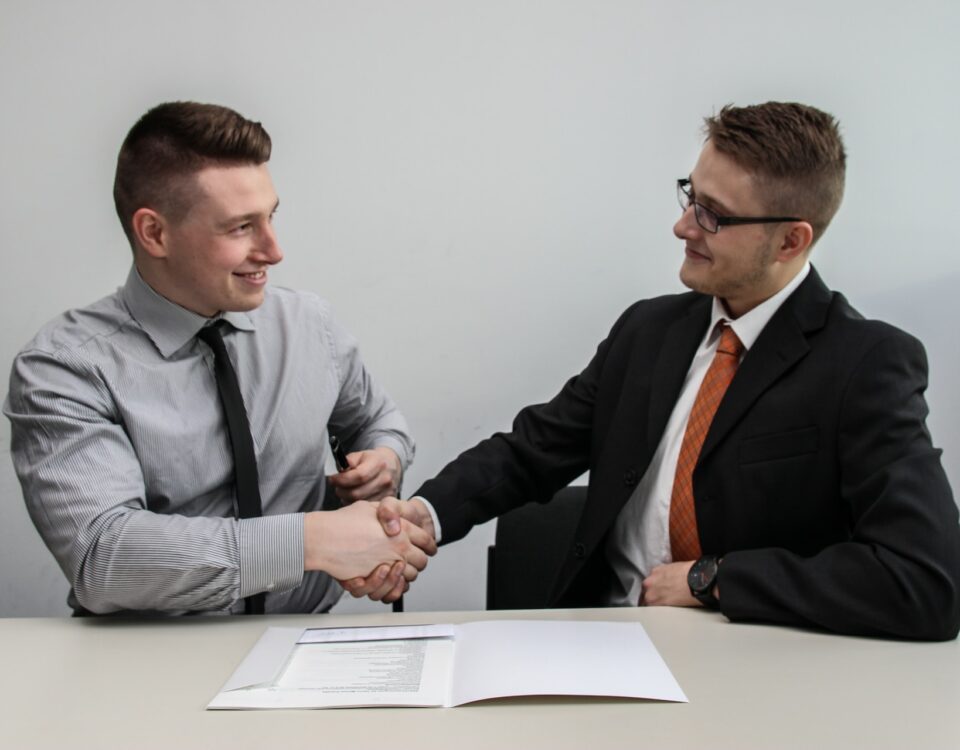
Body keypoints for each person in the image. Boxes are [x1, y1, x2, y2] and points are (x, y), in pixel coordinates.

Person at [353, 101, 960, 640]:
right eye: (689, 196)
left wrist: (712, 579)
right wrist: (422, 517)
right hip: (603, 646)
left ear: (790, 242)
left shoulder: (865, 363)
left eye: (714, 215)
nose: (683, 226)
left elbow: (926, 581)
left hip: (757, 671)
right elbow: (530, 451)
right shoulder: (649, 331)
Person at [4, 101, 435, 615]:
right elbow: (105, 559)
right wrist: (311, 541)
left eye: (271, 217)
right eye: (240, 228)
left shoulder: (310, 325)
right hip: (146, 663)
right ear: (154, 233)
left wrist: (383, 460)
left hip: (305, 645)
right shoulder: (64, 368)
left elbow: (377, 421)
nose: (274, 251)